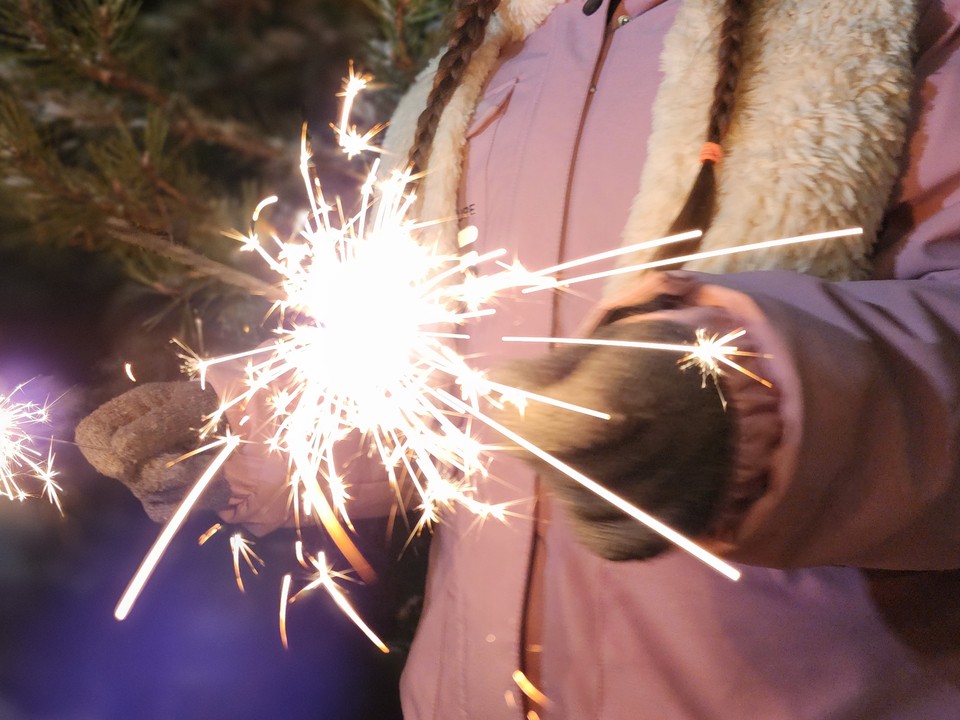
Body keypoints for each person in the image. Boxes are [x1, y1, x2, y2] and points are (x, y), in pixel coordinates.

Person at [79, 0, 960, 717]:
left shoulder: (889, 25)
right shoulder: (479, 70)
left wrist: (753, 407)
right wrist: (254, 429)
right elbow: (446, 394)